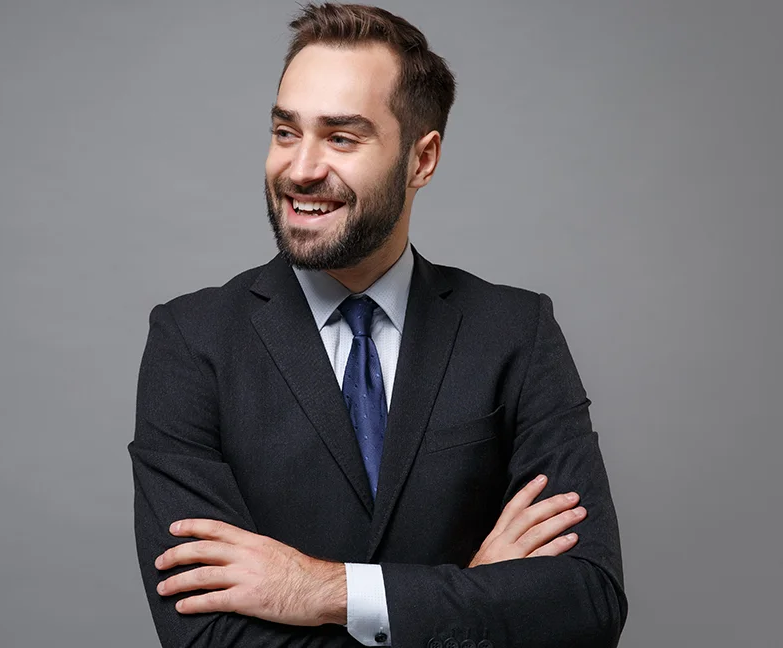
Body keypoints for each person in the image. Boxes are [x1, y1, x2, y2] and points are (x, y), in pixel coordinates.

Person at [127, 4, 626, 647]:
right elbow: (207, 640)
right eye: (286, 132)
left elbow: (587, 603)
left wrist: (324, 590)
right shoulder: (191, 342)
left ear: (422, 159)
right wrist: (468, 594)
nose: (301, 169)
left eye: (341, 137)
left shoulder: (515, 332)